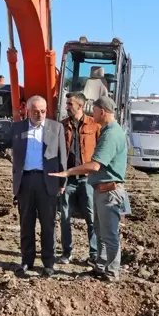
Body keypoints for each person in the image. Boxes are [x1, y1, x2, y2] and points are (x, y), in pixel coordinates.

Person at [0, 95, 67, 277]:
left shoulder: (56, 128)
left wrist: (62, 182)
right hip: (26, 181)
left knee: (48, 225)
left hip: (48, 181)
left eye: (43, 111)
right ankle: (27, 261)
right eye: (36, 111)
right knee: (26, 224)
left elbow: (62, 157)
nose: (40, 115)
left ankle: (48, 263)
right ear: (28, 111)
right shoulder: (17, 128)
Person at [49, 96, 128, 282]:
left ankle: (112, 272)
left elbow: (95, 165)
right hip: (102, 189)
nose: (93, 113)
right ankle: (100, 267)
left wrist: (68, 172)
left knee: (109, 235)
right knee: (100, 232)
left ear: (102, 111)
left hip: (109, 191)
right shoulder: (110, 131)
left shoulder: (110, 134)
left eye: (95, 109)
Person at [57, 91, 101, 265]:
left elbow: (100, 152)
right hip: (68, 178)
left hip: (87, 178)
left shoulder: (94, 126)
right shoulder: (62, 126)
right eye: (67, 104)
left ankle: (94, 253)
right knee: (64, 217)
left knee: (91, 216)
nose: (67, 107)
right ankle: (67, 252)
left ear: (80, 106)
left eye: (70, 104)